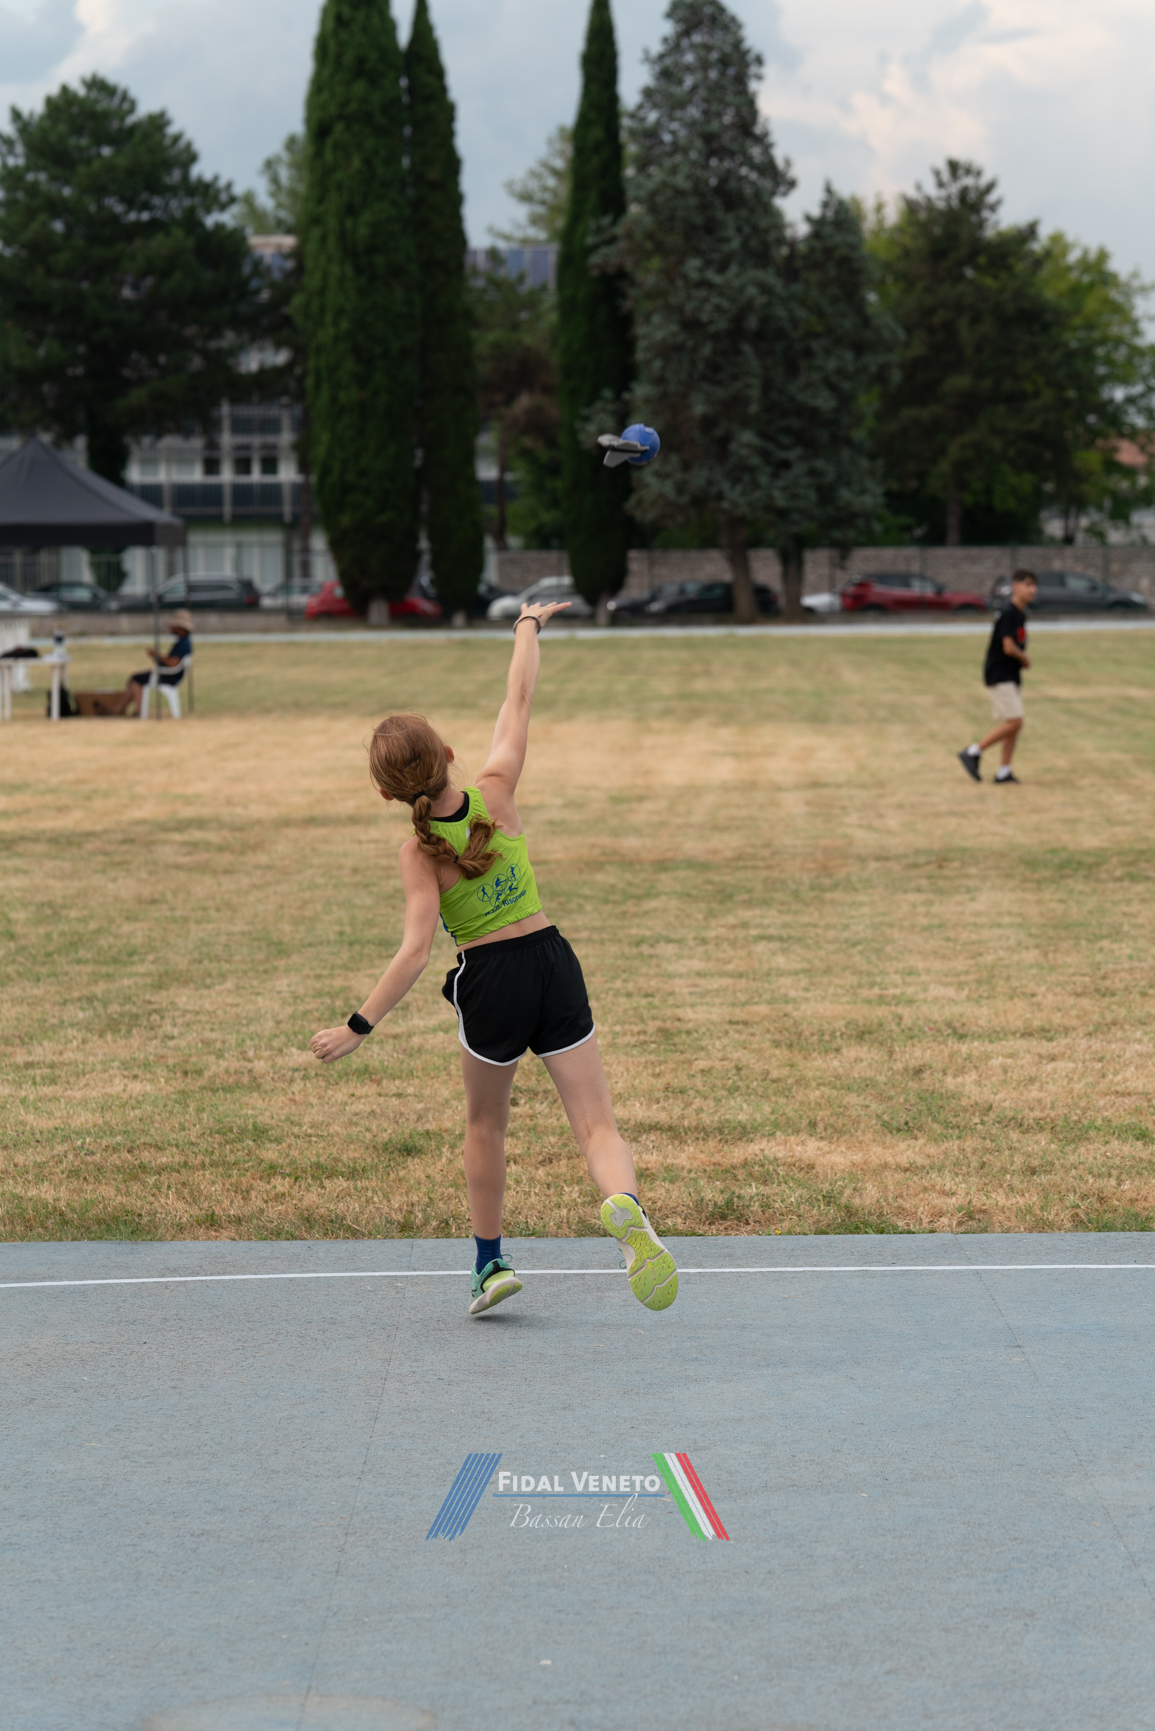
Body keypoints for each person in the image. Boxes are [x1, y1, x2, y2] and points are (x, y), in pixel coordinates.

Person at [309, 601, 678, 1319]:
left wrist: (357, 1027)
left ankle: (490, 1264)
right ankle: (625, 1206)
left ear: (384, 792)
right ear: (449, 753)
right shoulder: (498, 794)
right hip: (552, 962)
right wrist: (526, 627)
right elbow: (518, 700)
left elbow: (416, 951)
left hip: (491, 981)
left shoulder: (418, 852)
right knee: (597, 1124)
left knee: (486, 1126)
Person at [958, 569, 1038, 784]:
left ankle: (1004, 771)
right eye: (1028, 585)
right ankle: (973, 752)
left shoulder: (1019, 613)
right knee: (1015, 722)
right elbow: (1008, 647)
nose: (1033, 590)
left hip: (1011, 673)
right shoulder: (1009, 612)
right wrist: (1025, 658)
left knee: (1013, 723)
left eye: (1034, 585)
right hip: (1000, 673)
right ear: (1015, 586)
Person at [125, 609, 193, 714]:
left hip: (168, 676)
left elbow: (172, 663)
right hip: (168, 674)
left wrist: (158, 655)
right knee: (135, 678)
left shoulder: (183, 644)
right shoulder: (182, 642)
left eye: (173, 626)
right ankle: (117, 709)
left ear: (180, 627)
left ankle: (138, 711)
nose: (170, 628)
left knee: (136, 679)